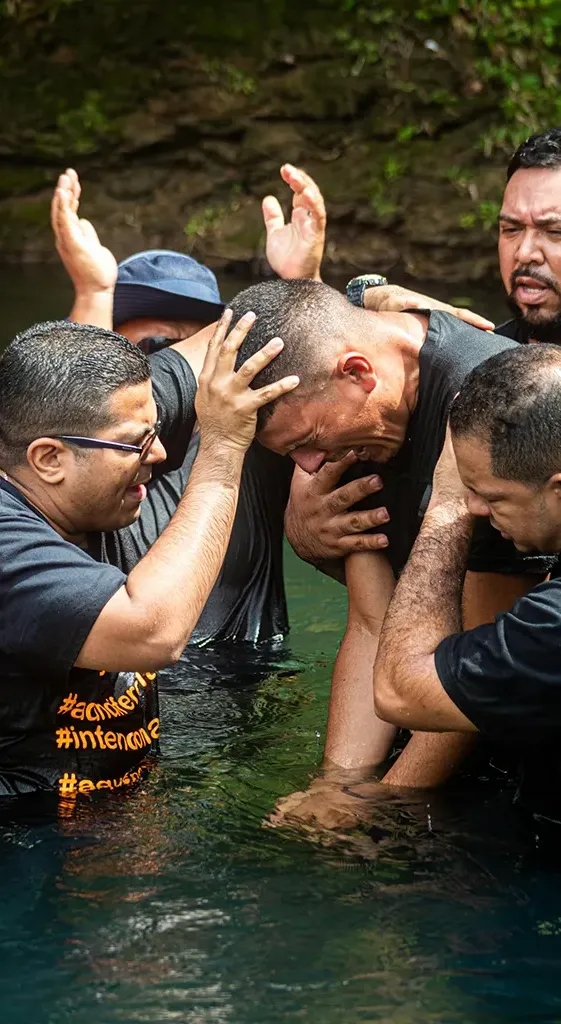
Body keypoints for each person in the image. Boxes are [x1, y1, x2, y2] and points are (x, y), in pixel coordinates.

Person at [229, 277, 555, 799]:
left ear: (357, 373)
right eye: (289, 455)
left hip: (489, 705)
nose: (308, 467)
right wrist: (338, 785)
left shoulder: (486, 410)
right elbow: (370, 622)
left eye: (308, 443)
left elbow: (477, 668)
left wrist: (387, 801)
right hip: (424, 689)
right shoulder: (347, 429)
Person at [50, 168, 388, 656]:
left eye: (201, 346)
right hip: (130, 694)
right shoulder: (75, 468)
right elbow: (75, 411)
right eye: (161, 346)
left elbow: (313, 387)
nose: (186, 368)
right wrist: (92, 295)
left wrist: (303, 282)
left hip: (244, 686)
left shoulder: (255, 439)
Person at [0, 312, 298, 800]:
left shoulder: (112, 412)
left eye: (156, 428)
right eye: (137, 444)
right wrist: (222, 450)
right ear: (49, 459)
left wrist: (365, 302)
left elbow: (233, 338)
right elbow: (152, 633)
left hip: (122, 809)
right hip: (26, 834)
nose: (159, 453)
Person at [374, 343, 561, 825]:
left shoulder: (553, 627)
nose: (479, 508)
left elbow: (401, 690)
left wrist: (448, 502)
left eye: (490, 495)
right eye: (470, 491)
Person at [361, 126, 561, 347]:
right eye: (511, 229)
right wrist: (367, 297)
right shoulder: (478, 359)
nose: (524, 253)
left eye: (554, 232)